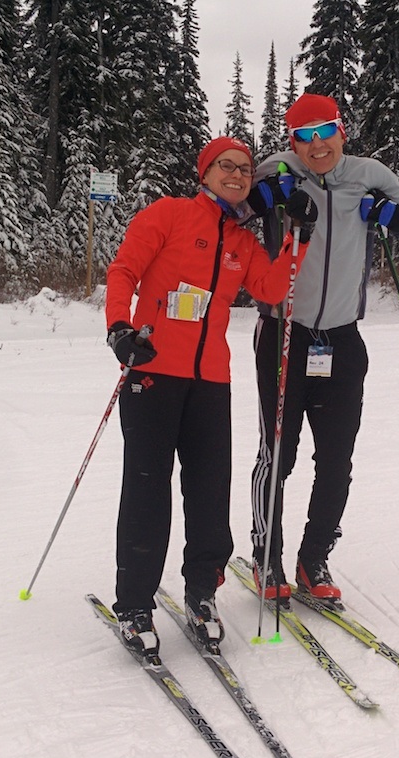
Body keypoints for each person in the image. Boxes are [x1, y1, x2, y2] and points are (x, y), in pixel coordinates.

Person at [104, 135, 317, 654]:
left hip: (210, 383)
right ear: (205, 171)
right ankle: (134, 605)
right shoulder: (169, 214)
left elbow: (270, 289)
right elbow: (124, 270)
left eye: (245, 169)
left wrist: (299, 235)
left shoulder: (242, 241)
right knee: (147, 492)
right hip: (152, 372)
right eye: (227, 166)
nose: (237, 175)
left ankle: (202, 592)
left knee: (208, 493)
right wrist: (118, 328)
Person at [246, 93, 399, 602]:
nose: (316, 144)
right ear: (292, 141)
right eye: (303, 135)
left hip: (342, 339)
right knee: (278, 455)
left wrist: (392, 214)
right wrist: (266, 197)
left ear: (341, 130)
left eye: (324, 131)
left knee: (336, 459)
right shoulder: (278, 167)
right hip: (284, 331)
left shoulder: (369, 174)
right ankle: (268, 558)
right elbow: (232, 209)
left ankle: (313, 559)